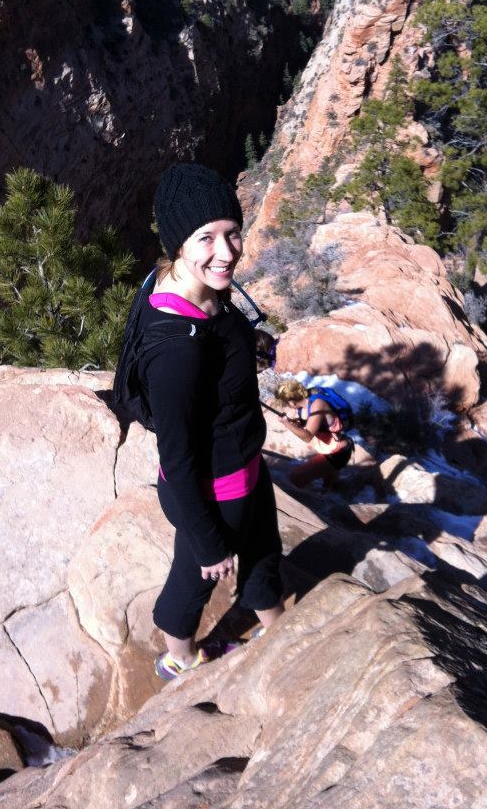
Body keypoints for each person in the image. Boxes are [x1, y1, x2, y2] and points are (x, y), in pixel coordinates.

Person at [137, 163, 284, 680]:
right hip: (211, 490)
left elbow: (225, 337)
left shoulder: (201, 292)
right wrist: (208, 540)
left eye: (233, 233)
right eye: (207, 238)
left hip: (242, 467)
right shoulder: (177, 350)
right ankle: (179, 658)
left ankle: (278, 628)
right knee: (195, 578)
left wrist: (253, 345)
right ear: (180, 242)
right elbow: (176, 458)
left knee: (265, 548)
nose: (226, 252)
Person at [274, 379, 354, 490]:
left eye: (286, 403)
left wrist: (286, 423)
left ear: (291, 401)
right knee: (328, 487)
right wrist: (297, 422)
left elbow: (307, 437)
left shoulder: (318, 404)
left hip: (337, 452)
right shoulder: (304, 405)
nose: (288, 406)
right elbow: (314, 423)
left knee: (294, 479)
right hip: (329, 449)